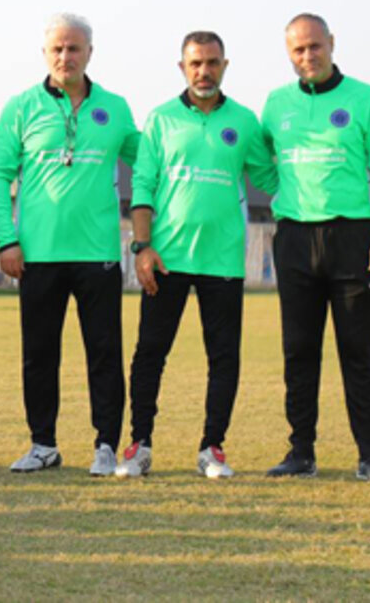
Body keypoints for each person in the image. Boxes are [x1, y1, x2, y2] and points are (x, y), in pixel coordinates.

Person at [114, 32, 277, 480]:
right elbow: (142, 185)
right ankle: (139, 445)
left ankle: (212, 448)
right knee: (150, 353)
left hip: (222, 261)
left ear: (225, 65)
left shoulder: (244, 121)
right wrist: (142, 247)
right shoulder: (161, 119)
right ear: (182, 67)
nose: (204, 71)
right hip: (166, 259)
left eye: (211, 63)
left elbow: (269, 178)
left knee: (223, 357)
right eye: (195, 64)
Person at [0, 12, 140, 476]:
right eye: (57, 48)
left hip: (98, 254)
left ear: (90, 53)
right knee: (39, 354)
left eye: (74, 48)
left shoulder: (115, 108)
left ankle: (106, 445)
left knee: (104, 354)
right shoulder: (21, 107)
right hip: (38, 255)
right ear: (45, 53)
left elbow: (148, 163)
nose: (65, 56)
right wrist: (7, 240)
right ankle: (43, 444)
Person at [260, 13, 370, 482]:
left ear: (332, 43)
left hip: (352, 238)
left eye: (315, 46)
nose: (308, 56)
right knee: (299, 350)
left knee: (359, 351)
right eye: (298, 50)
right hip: (295, 238)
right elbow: (260, 160)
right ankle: (300, 452)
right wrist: (284, 193)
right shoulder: (276, 104)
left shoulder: (366, 99)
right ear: (289, 54)